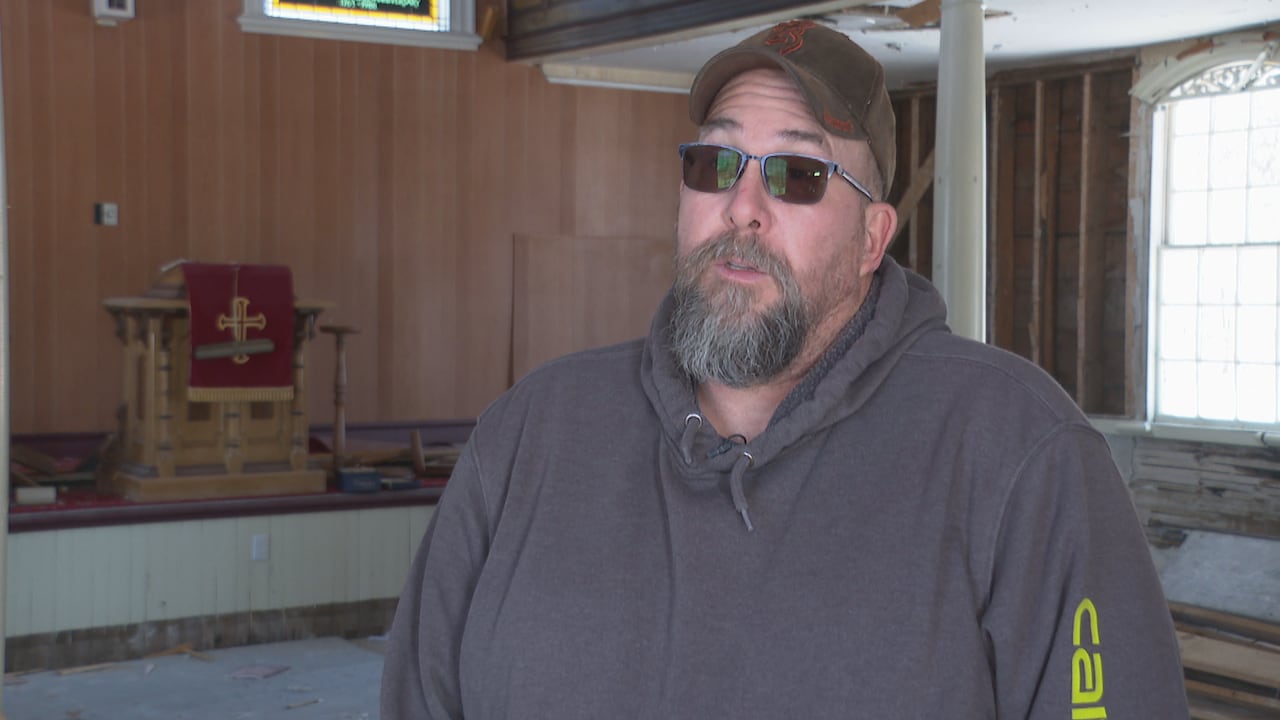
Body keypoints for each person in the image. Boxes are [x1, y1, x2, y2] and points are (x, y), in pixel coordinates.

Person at [382, 19, 1190, 719]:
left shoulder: (1019, 454)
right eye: (716, 163)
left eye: (798, 175)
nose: (742, 207)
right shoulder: (529, 434)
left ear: (872, 238)